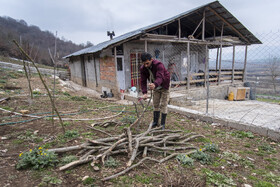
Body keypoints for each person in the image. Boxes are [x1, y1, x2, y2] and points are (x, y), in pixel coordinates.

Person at [140, 52, 170, 130]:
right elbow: (143, 81)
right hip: (155, 87)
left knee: (163, 105)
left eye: (147, 63)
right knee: (155, 104)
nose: (146, 65)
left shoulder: (159, 65)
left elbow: (160, 77)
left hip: (164, 85)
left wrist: (155, 84)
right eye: (144, 64)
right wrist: (144, 93)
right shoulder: (143, 68)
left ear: (151, 60)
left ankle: (162, 124)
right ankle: (155, 122)